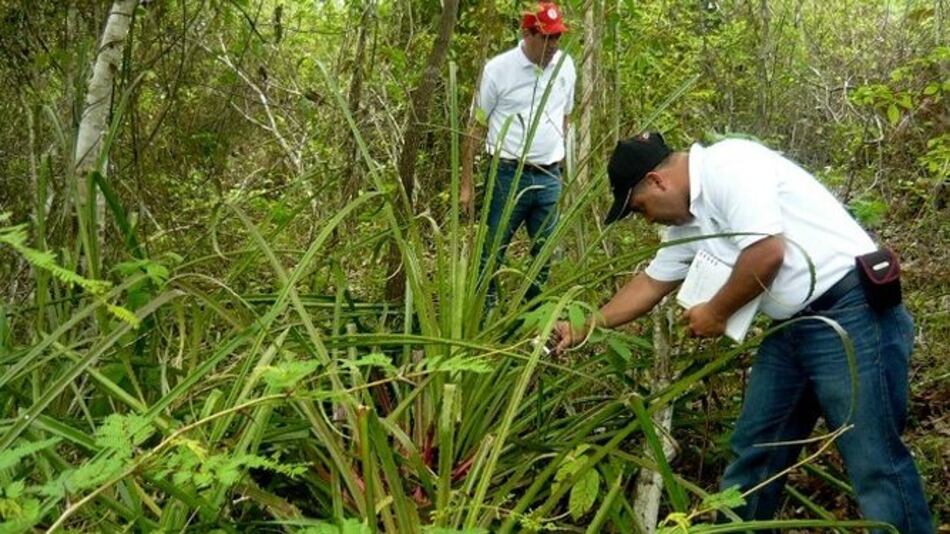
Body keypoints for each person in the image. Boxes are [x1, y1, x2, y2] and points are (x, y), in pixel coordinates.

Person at [552, 133, 934, 533]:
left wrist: (717, 312)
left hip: (851, 312)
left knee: (874, 461)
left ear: (657, 180)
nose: (648, 220)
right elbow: (649, 284)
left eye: (642, 208)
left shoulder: (729, 165)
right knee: (755, 453)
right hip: (792, 326)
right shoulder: (688, 226)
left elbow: (767, 251)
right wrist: (584, 326)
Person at [460, 2, 576, 305]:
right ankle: (482, 312)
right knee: (492, 250)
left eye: (557, 38)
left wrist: (561, 159)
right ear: (527, 33)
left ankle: (530, 315)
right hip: (508, 175)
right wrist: (466, 184)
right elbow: (476, 127)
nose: (552, 45)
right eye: (545, 37)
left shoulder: (566, 66)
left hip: (550, 174)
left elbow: (565, 116)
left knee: (545, 252)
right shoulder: (497, 70)